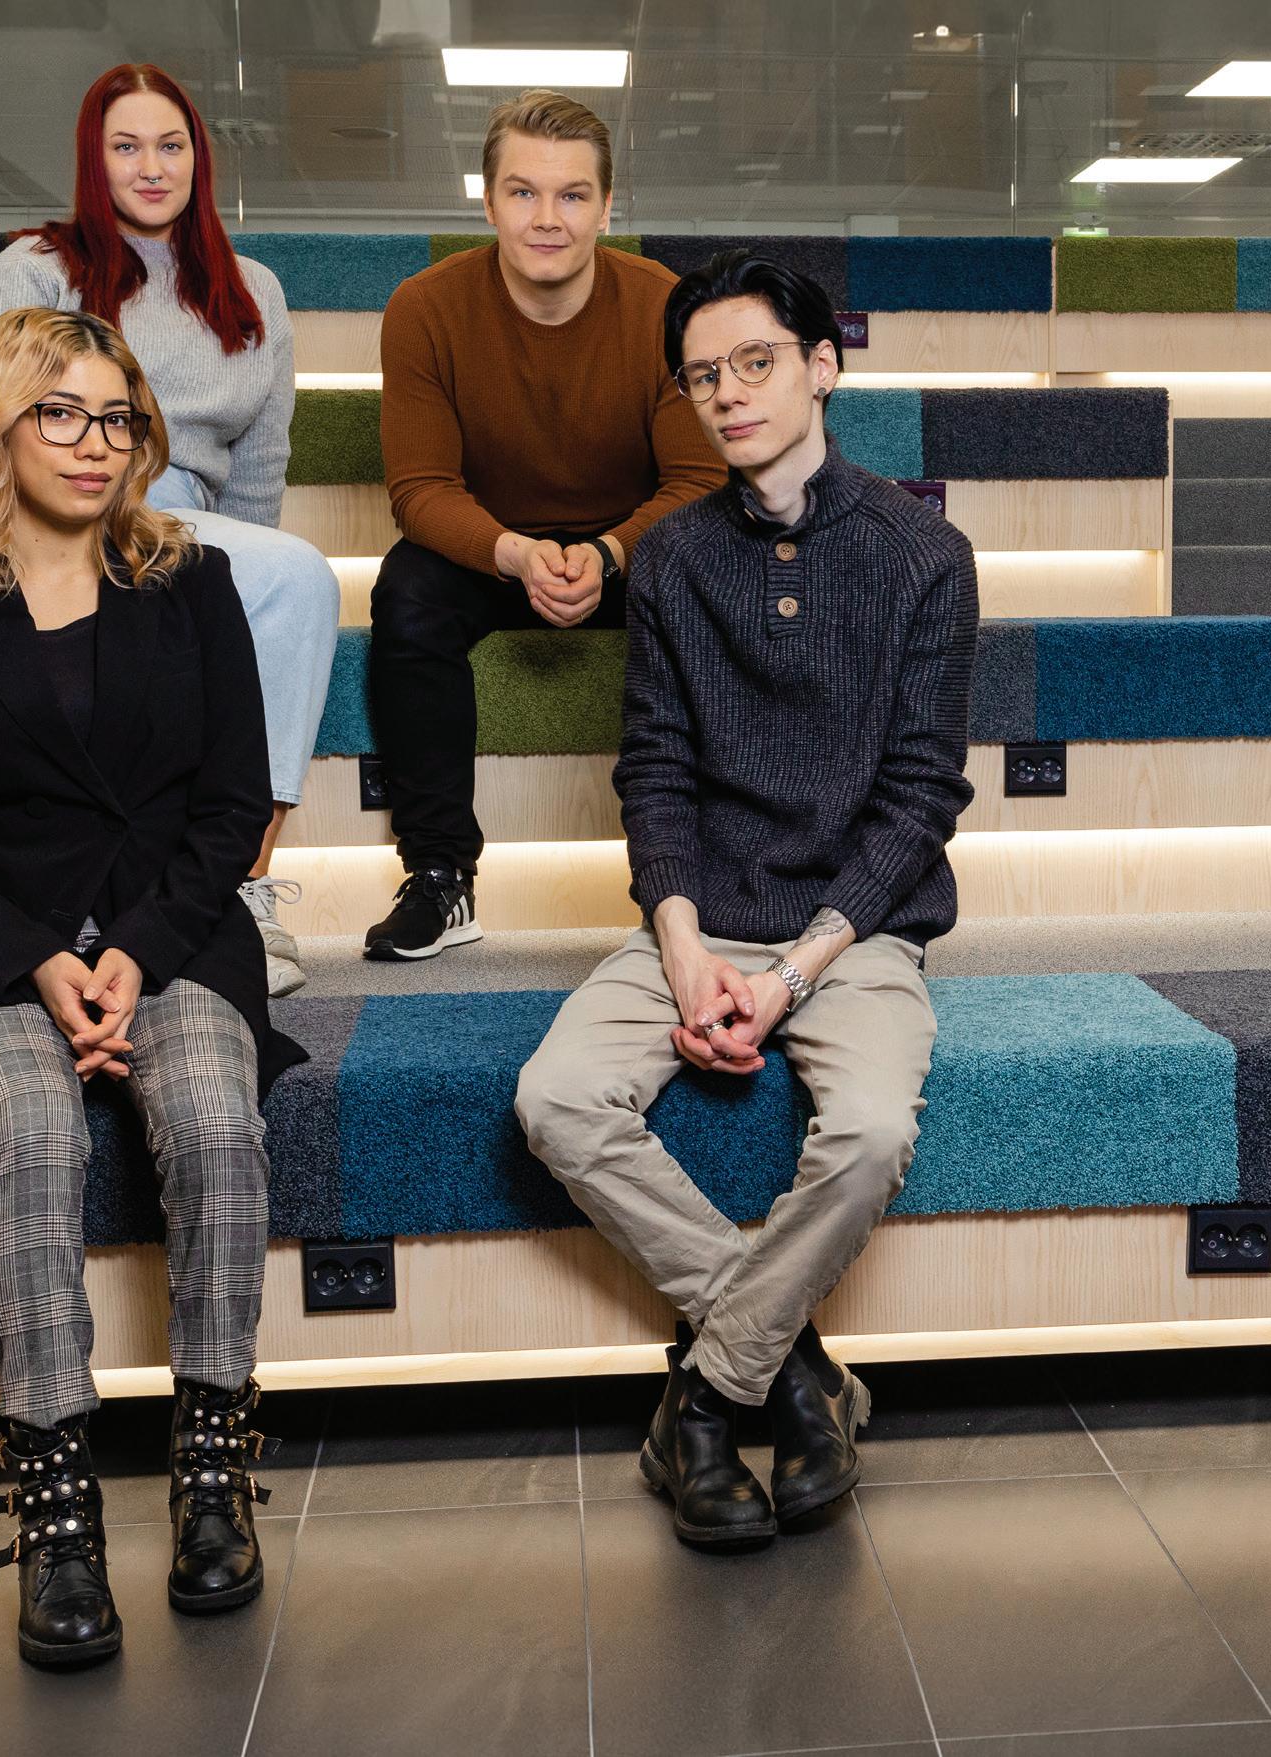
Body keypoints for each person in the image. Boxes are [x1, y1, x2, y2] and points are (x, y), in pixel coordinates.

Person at [516, 252, 979, 1548]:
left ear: (822, 366)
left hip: (854, 932)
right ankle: (796, 1373)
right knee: (553, 1097)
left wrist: (788, 977)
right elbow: (654, 770)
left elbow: (918, 800)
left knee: (870, 1129)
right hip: (696, 919)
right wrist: (680, 949)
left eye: (755, 362)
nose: (726, 392)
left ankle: (709, 1397)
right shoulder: (670, 559)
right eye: (702, 375)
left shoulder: (922, 554)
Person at [0, 306, 305, 1666]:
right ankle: (57, 1506)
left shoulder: (192, 581)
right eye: (60, 412)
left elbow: (232, 807)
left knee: (217, 1120)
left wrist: (138, 951)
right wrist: (36, 959)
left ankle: (212, 1461)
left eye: (117, 417)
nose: (94, 442)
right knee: (31, 1125)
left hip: (174, 931)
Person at [0, 62, 338, 996]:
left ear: (201, 157)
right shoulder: (30, 272)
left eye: (171, 145)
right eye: (126, 147)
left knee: (293, 576)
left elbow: (261, 465)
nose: (151, 167)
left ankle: (241, 882)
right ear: (94, 158)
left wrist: (226, 600)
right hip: (53, 505)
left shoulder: (254, 289)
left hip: (187, 519)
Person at [365, 88, 724, 960]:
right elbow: (419, 489)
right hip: (490, 545)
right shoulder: (425, 307)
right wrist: (517, 553)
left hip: (631, 545)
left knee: (720, 570)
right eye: (523, 192)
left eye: (571, 195)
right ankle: (440, 873)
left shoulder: (665, 307)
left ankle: (697, 873)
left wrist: (607, 552)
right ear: (488, 202)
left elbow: (698, 479)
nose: (547, 218)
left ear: (606, 207)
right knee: (406, 589)